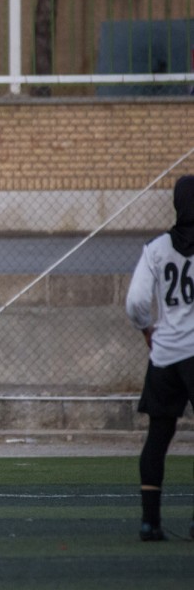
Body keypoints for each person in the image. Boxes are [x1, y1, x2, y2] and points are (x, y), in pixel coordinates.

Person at [126, 174, 194, 542]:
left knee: (158, 435)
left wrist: (147, 330)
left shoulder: (156, 248)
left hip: (165, 353)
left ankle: (149, 522)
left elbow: (136, 301)